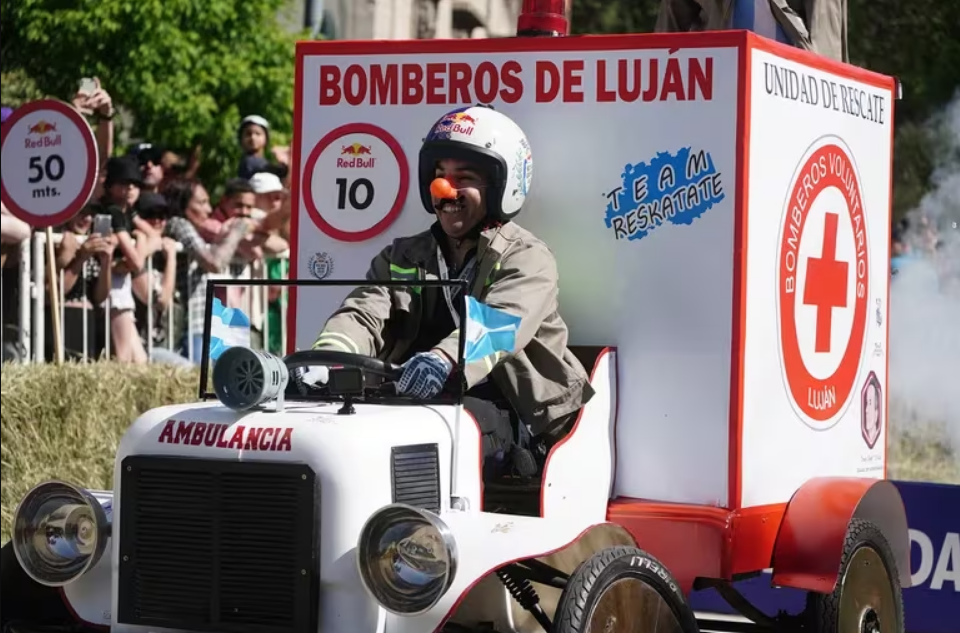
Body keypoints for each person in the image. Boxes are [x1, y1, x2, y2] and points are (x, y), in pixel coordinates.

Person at [300, 104, 595, 474]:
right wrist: (326, 358)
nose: (445, 190)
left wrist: (444, 359)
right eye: (439, 176)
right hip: (421, 405)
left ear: (502, 186)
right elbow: (363, 312)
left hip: (518, 417)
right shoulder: (403, 255)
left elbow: (499, 323)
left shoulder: (527, 258)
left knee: (430, 433)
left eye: (463, 178)